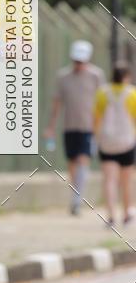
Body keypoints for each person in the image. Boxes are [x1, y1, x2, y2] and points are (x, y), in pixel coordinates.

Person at [45, 40, 105, 215]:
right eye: (76, 60)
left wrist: (100, 126)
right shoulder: (63, 77)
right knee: (72, 162)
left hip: (89, 126)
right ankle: (75, 195)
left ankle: (77, 200)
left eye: (82, 61)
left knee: (83, 159)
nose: (79, 64)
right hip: (69, 126)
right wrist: (51, 127)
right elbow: (57, 103)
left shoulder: (96, 76)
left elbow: (101, 103)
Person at [94, 62, 136, 227]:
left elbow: (96, 118)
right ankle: (127, 214)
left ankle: (110, 216)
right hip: (126, 142)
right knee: (126, 181)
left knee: (109, 180)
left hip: (107, 142)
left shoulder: (102, 93)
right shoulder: (132, 93)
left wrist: (96, 136)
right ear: (126, 77)